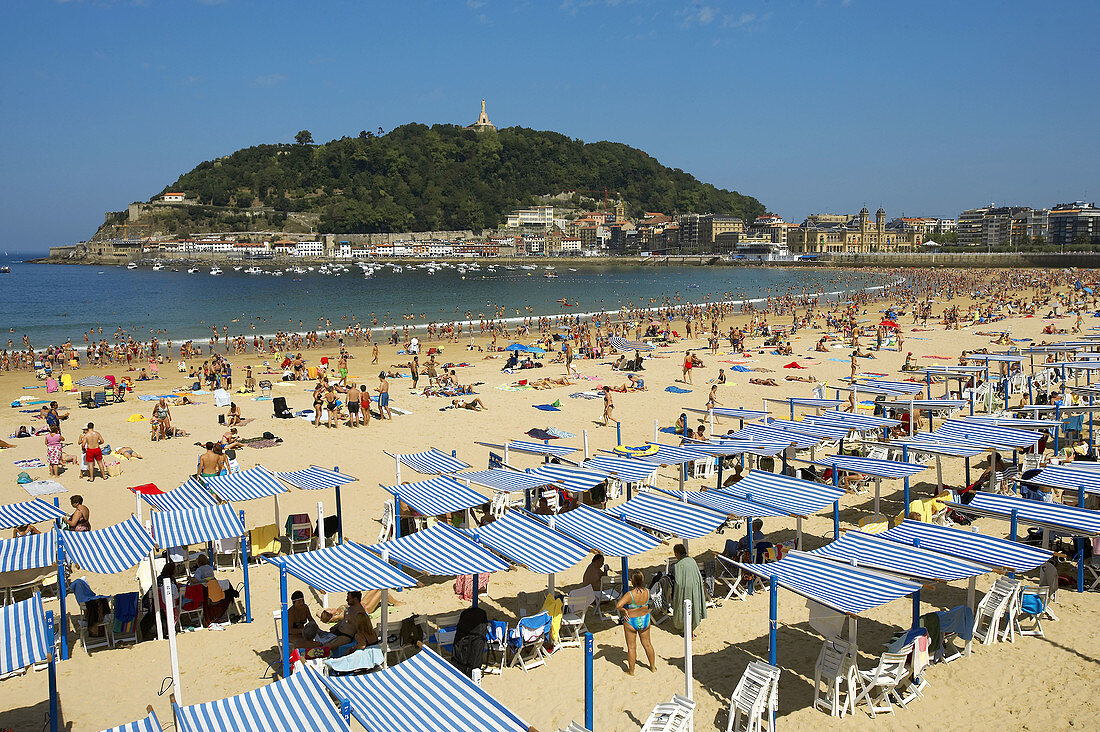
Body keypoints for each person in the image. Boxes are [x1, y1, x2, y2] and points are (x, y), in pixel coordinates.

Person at [614, 570, 656, 675]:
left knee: (632, 647)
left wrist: (624, 610)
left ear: (632, 581)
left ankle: (631, 671)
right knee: (647, 644)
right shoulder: (647, 591)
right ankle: (652, 667)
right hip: (645, 619)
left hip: (631, 620)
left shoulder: (630, 594)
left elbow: (618, 605)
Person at [670, 543, 706, 636]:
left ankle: (686, 629)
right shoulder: (692, 560)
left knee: (683, 608)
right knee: (694, 607)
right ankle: (691, 630)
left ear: (677, 553)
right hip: (695, 588)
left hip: (685, 589)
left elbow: (677, 581)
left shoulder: (678, 565)